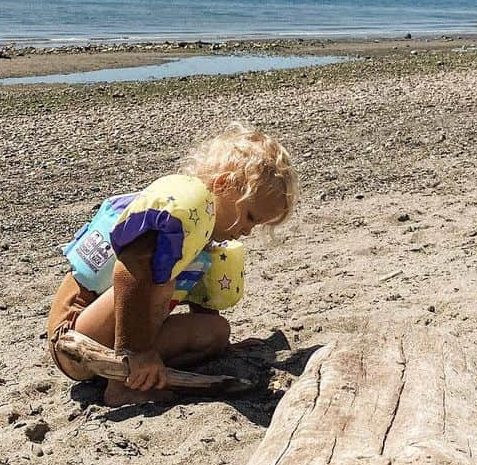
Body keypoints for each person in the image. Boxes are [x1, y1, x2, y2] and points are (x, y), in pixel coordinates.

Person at [46, 122, 298, 405]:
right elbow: (127, 275)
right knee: (161, 282)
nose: (249, 231)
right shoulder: (174, 220)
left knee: (215, 333)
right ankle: (122, 386)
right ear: (223, 184)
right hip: (73, 338)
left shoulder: (201, 234)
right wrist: (135, 351)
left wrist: (222, 346)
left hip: (115, 341)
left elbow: (200, 292)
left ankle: (134, 370)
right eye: (251, 217)